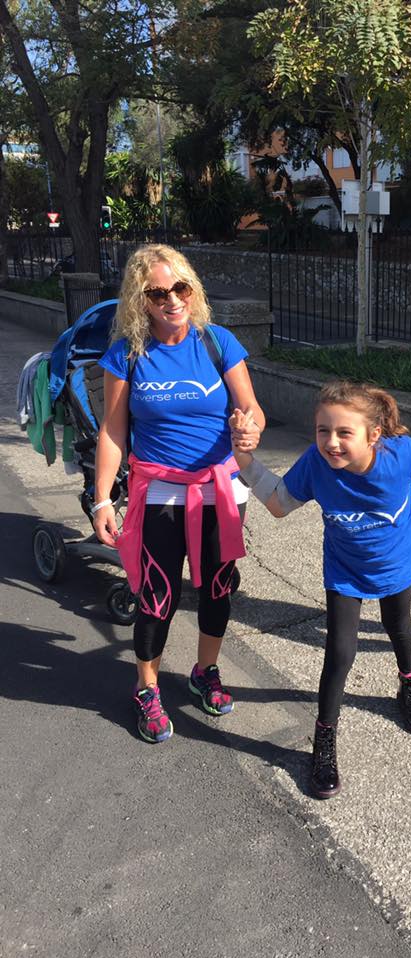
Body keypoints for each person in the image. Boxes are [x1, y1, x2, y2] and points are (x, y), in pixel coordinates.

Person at [230, 381, 411, 799]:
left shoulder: (400, 455)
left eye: (344, 433)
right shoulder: (316, 463)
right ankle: (324, 740)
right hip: (345, 571)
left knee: (399, 627)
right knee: (340, 653)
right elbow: (279, 503)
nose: (331, 442)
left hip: (396, 565)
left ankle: (409, 685)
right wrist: (243, 458)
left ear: (374, 435)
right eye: (323, 430)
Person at [93, 244, 264, 743]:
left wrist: (249, 428)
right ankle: (146, 687)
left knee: (217, 588)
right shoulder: (127, 354)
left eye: (180, 288)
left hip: (221, 490)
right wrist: (102, 498)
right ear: (140, 300)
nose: (172, 300)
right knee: (157, 596)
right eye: (158, 293)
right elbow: (113, 431)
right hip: (160, 495)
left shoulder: (218, 341)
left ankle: (205, 671)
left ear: (193, 289)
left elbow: (252, 407)